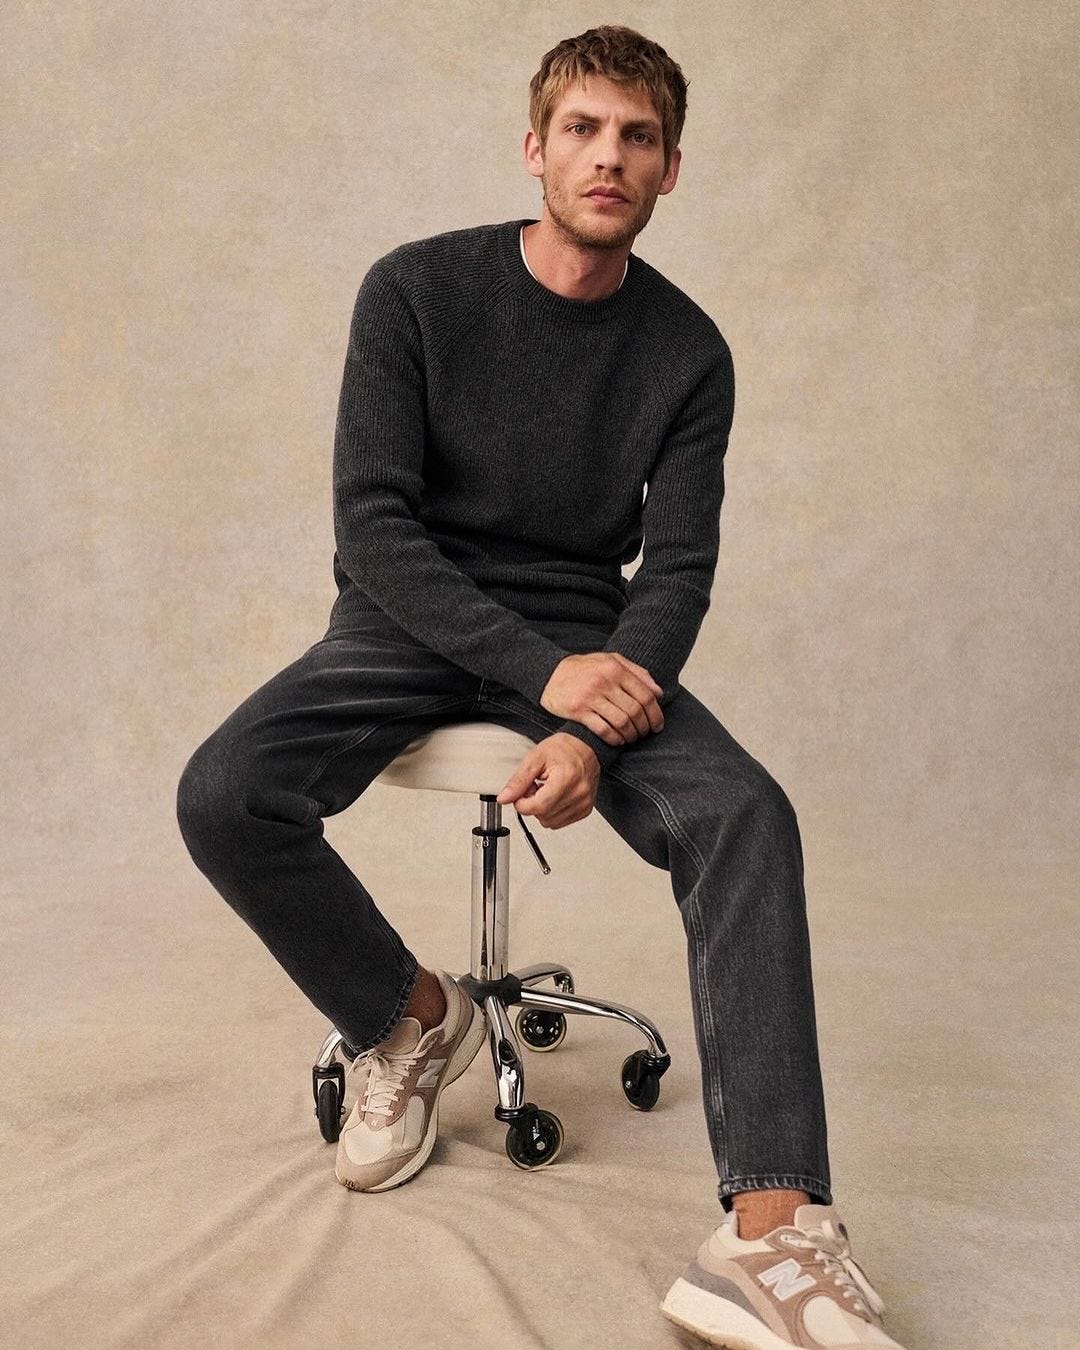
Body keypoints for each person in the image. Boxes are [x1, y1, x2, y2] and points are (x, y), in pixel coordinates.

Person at [176, 24, 907, 1350]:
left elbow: (674, 570)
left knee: (746, 811)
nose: (607, 157)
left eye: (637, 138)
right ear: (536, 147)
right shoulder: (413, 290)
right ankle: (407, 1021)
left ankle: (774, 1233)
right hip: (407, 613)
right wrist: (546, 673)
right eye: (583, 129)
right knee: (225, 792)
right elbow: (374, 527)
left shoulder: (686, 353)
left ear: (671, 169)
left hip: (586, 629)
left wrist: (581, 712)